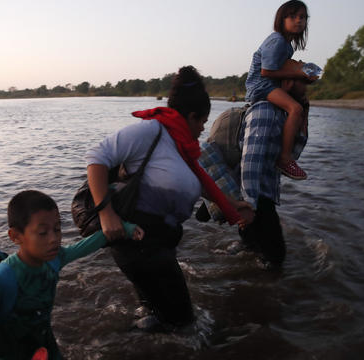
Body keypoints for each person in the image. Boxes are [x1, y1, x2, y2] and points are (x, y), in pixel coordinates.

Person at [85, 66, 254, 331]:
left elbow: (197, 182)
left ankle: (133, 341)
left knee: (159, 317)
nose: (202, 128)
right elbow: (96, 157)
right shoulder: (150, 132)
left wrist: (232, 204)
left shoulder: (182, 146)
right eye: (201, 121)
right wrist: (106, 214)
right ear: (190, 116)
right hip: (138, 241)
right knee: (186, 323)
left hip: (157, 244)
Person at [0, 190, 144, 359]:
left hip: (45, 345)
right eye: (42, 232)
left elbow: (86, 245)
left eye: (57, 229)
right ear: (15, 236)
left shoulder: (54, 259)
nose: (54, 239)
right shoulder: (0, 281)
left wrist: (125, 228)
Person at [199, 78, 310, 269]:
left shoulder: (284, 113)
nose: (308, 86)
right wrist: (249, 206)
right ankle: (259, 292)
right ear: (288, 83)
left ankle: (244, 274)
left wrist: (301, 117)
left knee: (252, 249)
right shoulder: (265, 111)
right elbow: (251, 160)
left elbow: (291, 156)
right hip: (255, 196)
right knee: (276, 259)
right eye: (303, 81)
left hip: (256, 193)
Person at [245, 0, 317, 181]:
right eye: (292, 17)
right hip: (260, 86)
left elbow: (279, 68)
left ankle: (292, 146)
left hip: (270, 84)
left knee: (302, 105)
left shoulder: (287, 45)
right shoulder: (276, 40)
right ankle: (285, 159)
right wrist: (299, 72)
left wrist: (300, 73)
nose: (298, 21)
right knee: (295, 109)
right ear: (281, 19)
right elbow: (266, 71)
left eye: (302, 17)